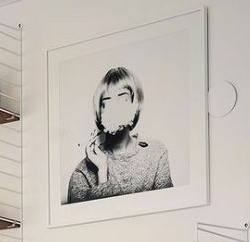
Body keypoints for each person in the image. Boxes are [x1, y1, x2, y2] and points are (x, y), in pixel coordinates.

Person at [67, 66, 172, 203]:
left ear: (136, 105)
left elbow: (167, 211)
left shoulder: (156, 153)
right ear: (99, 110)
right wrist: (102, 171)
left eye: (123, 98)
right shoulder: (82, 174)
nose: (115, 108)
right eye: (107, 101)